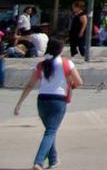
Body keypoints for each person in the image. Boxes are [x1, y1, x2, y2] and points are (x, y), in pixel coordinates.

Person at [13, 37, 83, 170]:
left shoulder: (41, 65)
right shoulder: (66, 63)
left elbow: (29, 85)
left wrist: (19, 104)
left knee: (50, 131)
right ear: (61, 49)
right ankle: (38, 162)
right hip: (58, 100)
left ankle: (53, 160)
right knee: (51, 131)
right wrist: (69, 87)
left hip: (42, 101)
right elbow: (79, 82)